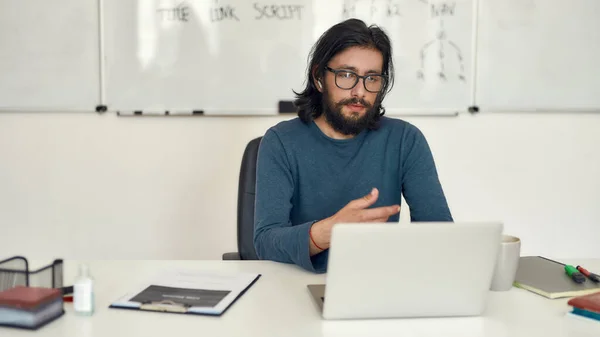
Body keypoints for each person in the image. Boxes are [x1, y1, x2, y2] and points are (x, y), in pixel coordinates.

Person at [253, 18, 453, 273]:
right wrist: (327, 232)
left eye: (371, 78)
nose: (359, 91)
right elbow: (265, 242)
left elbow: (440, 233)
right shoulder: (281, 141)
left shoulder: (405, 140)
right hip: (298, 283)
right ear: (319, 78)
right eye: (346, 75)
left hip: (380, 284)